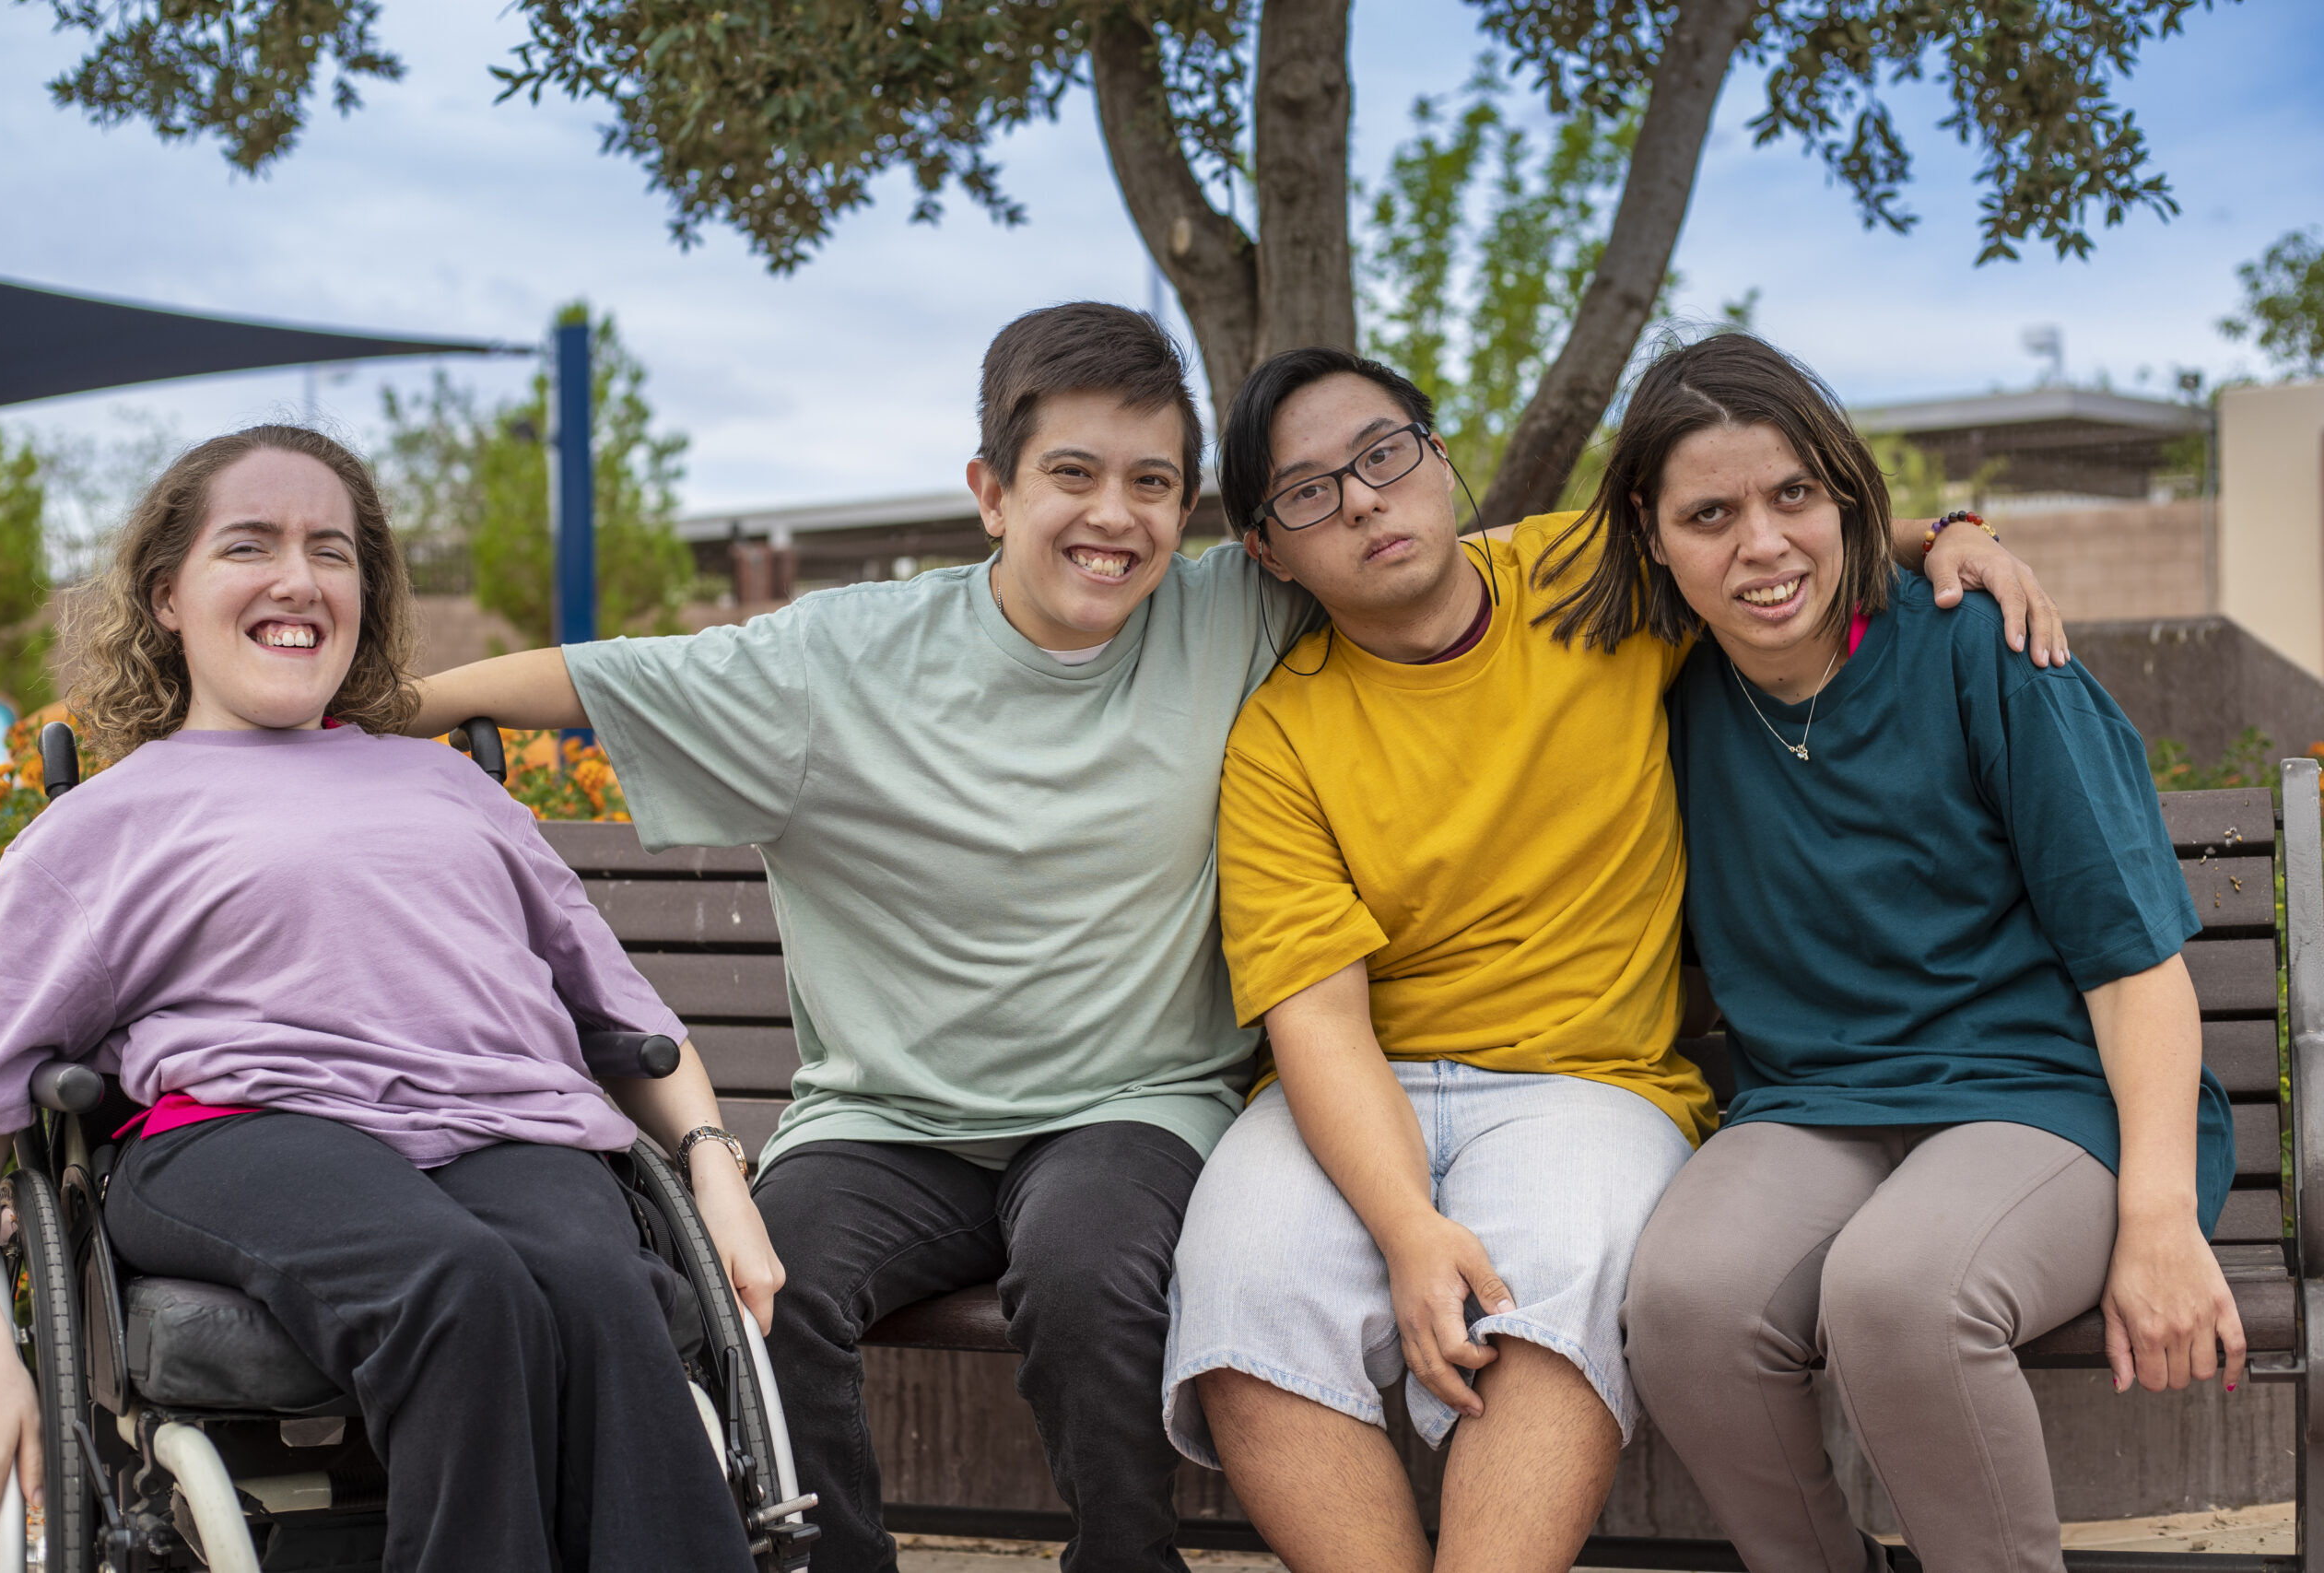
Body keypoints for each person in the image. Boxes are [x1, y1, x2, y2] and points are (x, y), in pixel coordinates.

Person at [406, 305, 2060, 1573]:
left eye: (1150, 483)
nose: (1112, 518)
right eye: (1070, 475)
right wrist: (381, 708)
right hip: (968, 1115)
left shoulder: (1464, 586)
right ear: (994, 490)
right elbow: (615, 676)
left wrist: (1947, 535)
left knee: (1222, 1263)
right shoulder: (987, 672)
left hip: (1329, 1094)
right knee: (877, 1280)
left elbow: (1751, 528)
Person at [1159, 345, 2068, 1573]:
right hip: (1363, 1082)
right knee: (1239, 1287)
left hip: (1586, 1081)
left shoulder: (1584, 579)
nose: (1364, 499)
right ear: (1267, 549)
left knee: (1567, 1281)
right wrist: (1409, 1227)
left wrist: (1952, 531)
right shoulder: (1279, 734)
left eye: (1381, 455)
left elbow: (1766, 526)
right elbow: (1319, 1022)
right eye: (1310, 491)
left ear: (1436, 456)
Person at [0, 427, 775, 1572]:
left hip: (505, 1126)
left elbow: (628, 1023)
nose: (298, 578)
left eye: (330, 551)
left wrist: (712, 1170)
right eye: (250, 545)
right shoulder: (103, 824)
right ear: (166, 597)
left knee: (602, 1290)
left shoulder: (450, 787)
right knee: (455, 1286)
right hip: (245, 1133)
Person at [1609, 333, 2238, 1573]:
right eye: (1712, 512)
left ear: (1845, 489)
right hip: (1818, 1106)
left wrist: (2160, 1213)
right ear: (1652, 531)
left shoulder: (1984, 647)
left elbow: (2133, 964)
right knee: (1682, 1305)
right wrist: (1944, 520)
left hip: (2048, 1100)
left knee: (1900, 1292)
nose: (1764, 542)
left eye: (1795, 493)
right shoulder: (1657, 683)